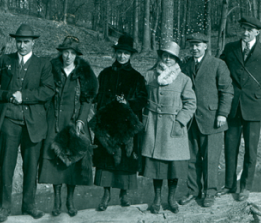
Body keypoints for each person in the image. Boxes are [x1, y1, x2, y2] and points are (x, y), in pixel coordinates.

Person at [0, 24, 55, 222]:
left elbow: (48, 91)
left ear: (33, 43)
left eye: (26, 42)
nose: (22, 45)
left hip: (33, 124)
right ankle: (3, 207)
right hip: (9, 121)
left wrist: (24, 96)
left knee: (30, 166)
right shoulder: (6, 60)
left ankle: (29, 205)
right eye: (19, 41)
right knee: (6, 165)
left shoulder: (43, 64)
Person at [219, 15, 261, 201]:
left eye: (249, 30)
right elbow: (220, 69)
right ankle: (230, 185)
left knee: (251, 151)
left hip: (254, 106)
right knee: (230, 147)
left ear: (257, 32)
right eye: (243, 28)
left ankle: (245, 187)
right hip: (232, 106)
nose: (245, 33)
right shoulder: (230, 48)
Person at [38, 36, 98, 217]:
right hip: (54, 121)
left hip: (74, 123)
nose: (68, 56)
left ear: (76, 55)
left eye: (72, 53)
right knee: (55, 161)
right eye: (66, 52)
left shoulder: (84, 73)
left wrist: (81, 120)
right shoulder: (51, 69)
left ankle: (70, 201)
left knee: (73, 163)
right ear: (61, 53)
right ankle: (56, 202)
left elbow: (87, 100)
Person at [91, 34, 147, 212]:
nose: (122, 56)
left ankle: (124, 193)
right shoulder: (105, 74)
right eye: (120, 53)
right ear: (115, 54)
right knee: (107, 159)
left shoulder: (137, 77)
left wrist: (128, 103)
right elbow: (97, 97)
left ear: (131, 55)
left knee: (126, 158)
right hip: (108, 124)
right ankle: (106, 195)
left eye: (126, 53)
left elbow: (143, 100)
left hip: (126, 125)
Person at [178, 33, 233, 208]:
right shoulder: (185, 65)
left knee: (210, 159)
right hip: (190, 120)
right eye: (192, 45)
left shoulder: (218, 64)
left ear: (205, 46)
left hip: (212, 119)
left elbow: (227, 91)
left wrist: (222, 114)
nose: (194, 48)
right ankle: (193, 191)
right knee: (191, 159)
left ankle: (210, 192)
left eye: (198, 45)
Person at [141, 41, 196, 214]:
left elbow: (191, 103)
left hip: (173, 128)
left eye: (171, 56)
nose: (167, 58)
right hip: (153, 127)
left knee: (173, 167)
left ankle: (171, 199)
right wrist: (144, 118)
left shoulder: (183, 79)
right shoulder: (149, 76)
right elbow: (141, 99)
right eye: (165, 55)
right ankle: (157, 199)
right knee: (156, 166)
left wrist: (180, 121)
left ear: (176, 59)